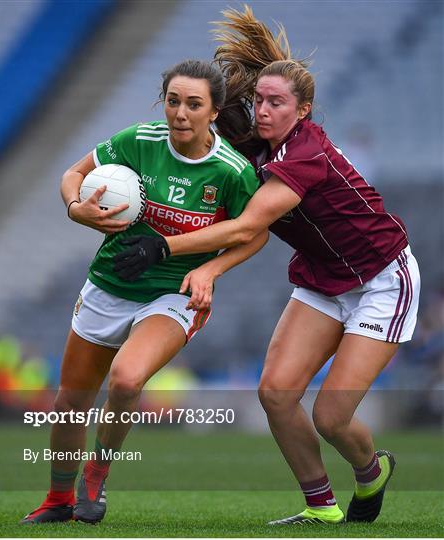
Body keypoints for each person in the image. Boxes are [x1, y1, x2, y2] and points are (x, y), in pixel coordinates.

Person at [115, 7, 421, 526]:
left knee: (330, 415)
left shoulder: (305, 153)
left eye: (276, 103)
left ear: (303, 110)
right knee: (275, 394)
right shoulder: (254, 147)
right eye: (257, 100)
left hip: (381, 280)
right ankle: (320, 506)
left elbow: (245, 226)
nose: (262, 111)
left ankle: (371, 470)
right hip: (322, 280)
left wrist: (164, 247)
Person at [20, 59, 267, 524]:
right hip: (110, 282)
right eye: (173, 101)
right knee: (70, 402)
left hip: (173, 294)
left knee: (128, 380)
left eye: (194, 104)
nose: (180, 113)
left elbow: (253, 234)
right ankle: (57, 499)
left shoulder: (230, 172)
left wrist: (211, 271)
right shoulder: (138, 140)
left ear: (214, 112)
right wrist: (76, 209)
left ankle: (97, 474)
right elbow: (72, 175)